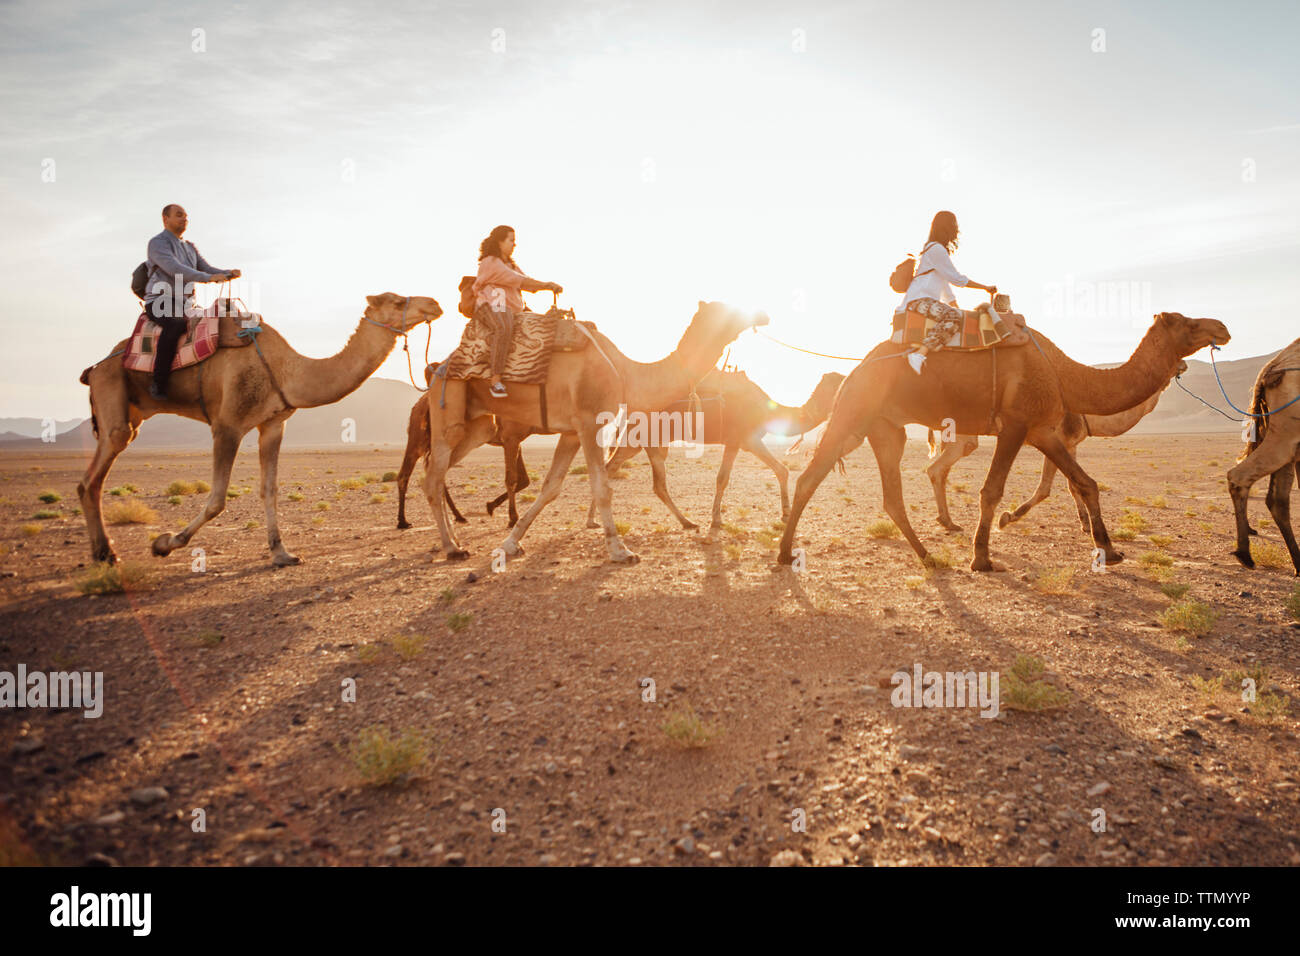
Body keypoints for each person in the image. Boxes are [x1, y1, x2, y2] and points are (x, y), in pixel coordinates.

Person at [143, 204, 240, 400]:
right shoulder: (157, 243)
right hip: (161, 301)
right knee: (176, 324)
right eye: (179, 215)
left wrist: (226, 274)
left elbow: (206, 267)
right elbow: (174, 268)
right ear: (165, 219)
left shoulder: (189, 247)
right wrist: (208, 278)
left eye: (186, 216)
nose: (184, 219)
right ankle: (158, 383)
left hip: (186, 303)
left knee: (219, 321)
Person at [896, 211, 996, 373]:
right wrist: (985, 287)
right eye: (953, 225)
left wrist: (955, 304)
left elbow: (944, 285)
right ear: (946, 227)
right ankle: (920, 354)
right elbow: (956, 279)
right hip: (919, 300)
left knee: (955, 313)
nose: (956, 230)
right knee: (953, 317)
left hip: (922, 299)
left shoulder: (933, 250)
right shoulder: (936, 249)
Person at [472, 225, 562, 398]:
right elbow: (519, 281)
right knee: (504, 326)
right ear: (499, 242)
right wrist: (546, 285)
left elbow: (524, 280)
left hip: (511, 307)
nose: (514, 245)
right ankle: (495, 380)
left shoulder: (510, 265)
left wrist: (543, 286)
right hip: (492, 304)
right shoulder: (491, 262)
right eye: (511, 240)